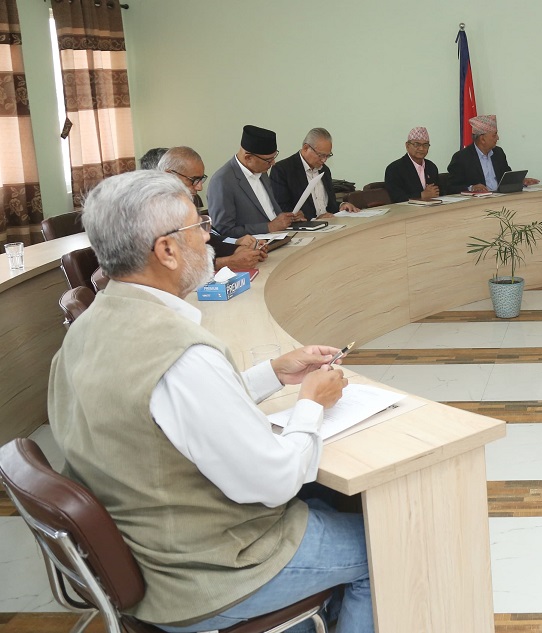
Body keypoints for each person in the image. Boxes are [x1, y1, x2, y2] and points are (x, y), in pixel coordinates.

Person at [48, 170, 374, 632]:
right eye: (198, 226)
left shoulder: (87, 328)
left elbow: (166, 413)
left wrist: (274, 373)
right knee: (383, 545)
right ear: (166, 250)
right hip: (207, 572)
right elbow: (275, 481)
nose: (208, 236)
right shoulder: (183, 356)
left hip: (146, 548)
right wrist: (312, 403)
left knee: (325, 505)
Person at [157, 146, 266, 270]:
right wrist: (226, 262)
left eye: (201, 179)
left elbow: (207, 239)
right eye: (194, 180)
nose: (199, 187)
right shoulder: (149, 211)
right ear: (170, 175)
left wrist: (238, 248)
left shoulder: (182, 202)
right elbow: (166, 263)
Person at [208, 125, 296, 237]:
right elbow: (224, 231)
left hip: (281, 236)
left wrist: (288, 218)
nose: (273, 163)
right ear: (248, 158)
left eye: (274, 157)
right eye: (268, 160)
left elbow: (270, 212)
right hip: (253, 245)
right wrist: (269, 227)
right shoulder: (222, 181)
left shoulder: (261, 170)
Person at [270, 128, 359, 220]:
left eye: (328, 156)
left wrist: (341, 205)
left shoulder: (324, 170)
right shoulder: (282, 170)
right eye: (321, 155)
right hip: (304, 227)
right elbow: (282, 209)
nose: (324, 160)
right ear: (306, 148)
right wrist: (315, 220)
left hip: (330, 224)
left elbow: (327, 205)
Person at [446, 115, 540, 193]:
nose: (498, 138)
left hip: (499, 199)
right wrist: (471, 188)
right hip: (478, 204)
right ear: (482, 139)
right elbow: (450, 187)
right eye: (494, 135)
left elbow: (506, 178)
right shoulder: (461, 157)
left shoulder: (498, 153)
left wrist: (521, 181)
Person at [384, 127, 440, 203]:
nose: (421, 148)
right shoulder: (394, 169)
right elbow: (396, 197)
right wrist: (421, 195)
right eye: (417, 144)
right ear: (407, 146)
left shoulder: (431, 167)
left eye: (425, 145)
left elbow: (438, 192)